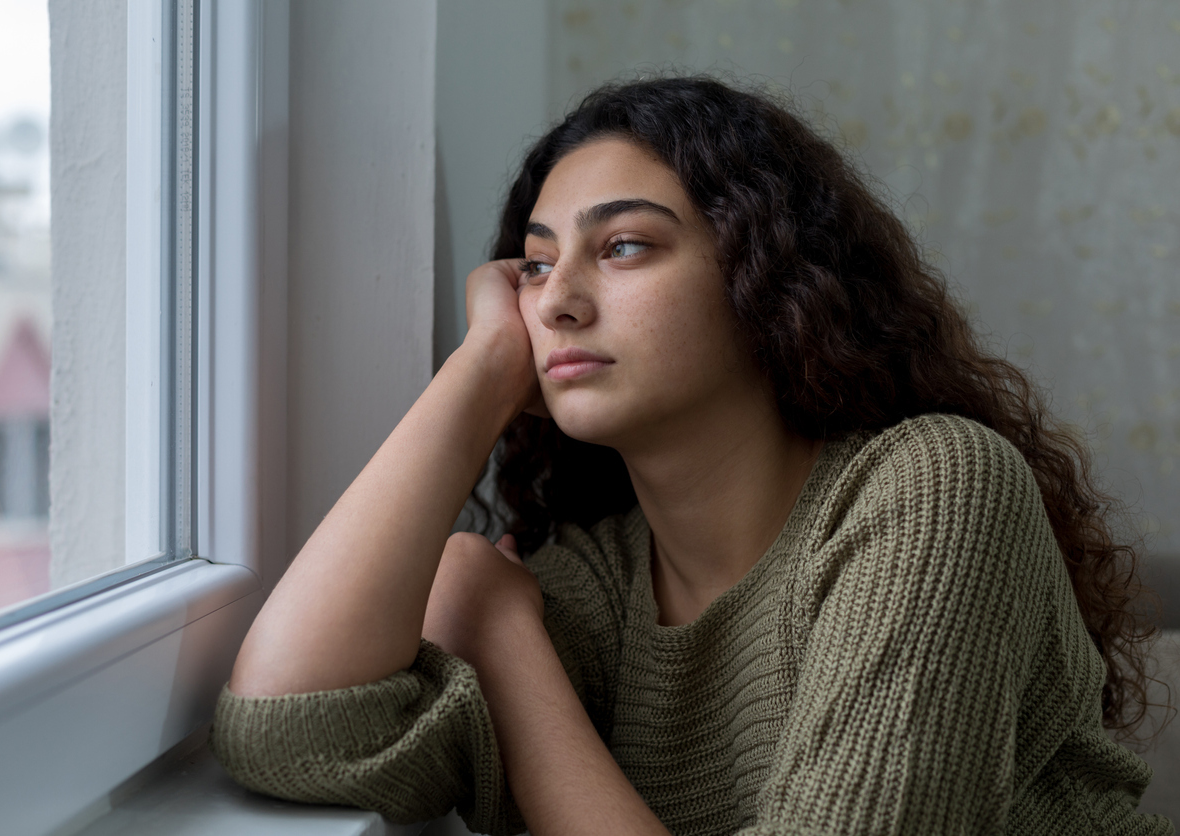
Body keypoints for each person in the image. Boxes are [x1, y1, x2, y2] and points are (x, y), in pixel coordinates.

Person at [210, 77, 1172, 835]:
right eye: (536, 265)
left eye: (624, 247)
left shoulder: (934, 491)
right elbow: (287, 728)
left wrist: (504, 646)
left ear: (767, 277)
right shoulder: (600, 582)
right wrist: (484, 366)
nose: (556, 301)